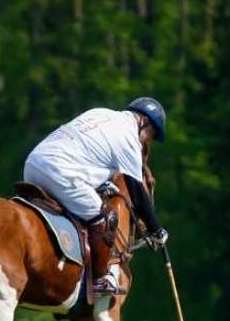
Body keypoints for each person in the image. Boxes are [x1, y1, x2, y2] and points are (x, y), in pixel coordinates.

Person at [24, 97, 169, 296]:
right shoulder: (129, 138)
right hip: (59, 172)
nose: (148, 140)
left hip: (32, 164)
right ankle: (100, 279)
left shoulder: (101, 113)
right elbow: (136, 191)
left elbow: (88, 156)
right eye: (151, 134)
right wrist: (156, 229)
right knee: (105, 216)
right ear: (143, 121)